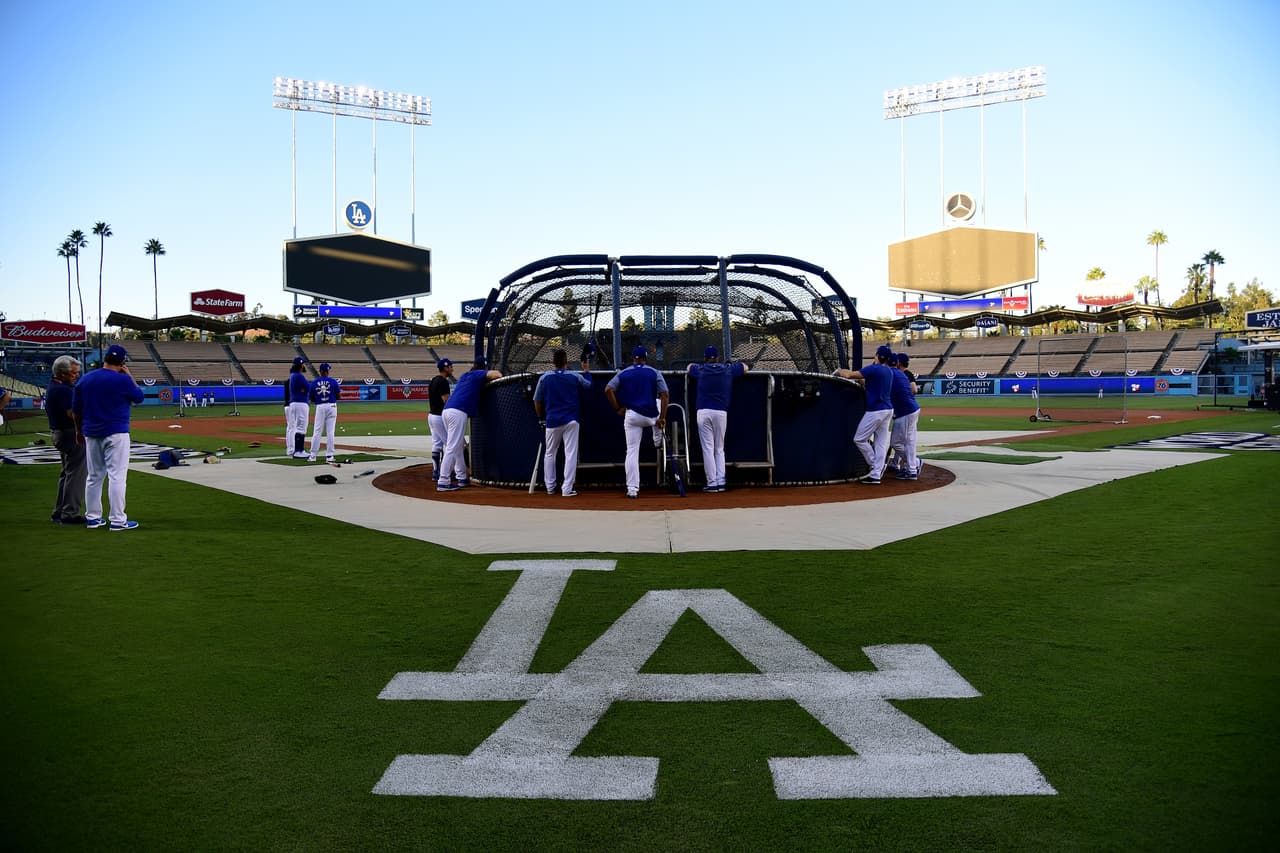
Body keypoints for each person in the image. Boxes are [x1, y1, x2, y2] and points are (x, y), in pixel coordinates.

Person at [72, 344, 145, 531]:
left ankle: (93, 518)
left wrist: (79, 431)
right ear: (122, 362)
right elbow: (139, 397)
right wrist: (128, 375)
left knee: (94, 476)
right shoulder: (122, 380)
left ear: (105, 359)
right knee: (117, 477)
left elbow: (76, 411)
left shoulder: (85, 379)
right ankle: (118, 521)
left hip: (91, 433)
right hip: (116, 432)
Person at [605, 345, 669, 499]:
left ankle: (632, 489)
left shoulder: (624, 373)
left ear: (633, 359)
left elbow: (608, 389)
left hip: (632, 415)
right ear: (646, 358)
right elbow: (665, 394)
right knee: (658, 401)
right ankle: (657, 437)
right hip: (650, 416)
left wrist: (617, 408)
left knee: (632, 451)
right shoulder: (654, 372)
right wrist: (662, 418)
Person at [687, 345, 748, 493]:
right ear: (718, 357)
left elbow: (689, 367)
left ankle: (712, 482)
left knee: (708, 448)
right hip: (721, 412)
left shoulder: (701, 369)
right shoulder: (727, 369)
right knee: (719, 449)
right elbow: (745, 367)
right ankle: (721, 481)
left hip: (703, 411)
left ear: (705, 358)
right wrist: (729, 364)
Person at [437, 357, 503, 492]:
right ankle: (443, 481)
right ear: (483, 367)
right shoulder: (478, 374)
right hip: (457, 412)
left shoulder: (465, 376)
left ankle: (462, 478)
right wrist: (488, 375)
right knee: (452, 447)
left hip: (448, 411)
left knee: (458, 446)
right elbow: (498, 375)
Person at [533, 348, 592, 496]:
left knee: (550, 453)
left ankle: (550, 487)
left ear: (553, 362)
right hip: (571, 419)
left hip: (552, 420)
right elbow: (588, 385)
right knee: (570, 454)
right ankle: (567, 489)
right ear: (566, 361)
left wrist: (541, 417)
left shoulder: (545, 377)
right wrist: (587, 371)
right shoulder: (574, 376)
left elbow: (537, 401)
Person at [834, 344, 895, 485]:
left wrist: (839, 370)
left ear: (878, 356)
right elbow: (869, 383)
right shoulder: (888, 371)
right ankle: (876, 474)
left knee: (859, 439)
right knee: (880, 443)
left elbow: (848, 375)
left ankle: (875, 465)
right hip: (887, 409)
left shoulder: (873, 368)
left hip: (876, 410)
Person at [46, 355, 87, 525]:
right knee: (76, 474)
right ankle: (69, 513)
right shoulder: (63, 390)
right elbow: (72, 414)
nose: (76, 376)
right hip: (70, 433)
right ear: (62, 373)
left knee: (67, 473)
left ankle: (60, 511)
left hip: (61, 433)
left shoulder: (56, 386)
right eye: (73, 373)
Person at [888, 352, 921, 480]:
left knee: (896, 443)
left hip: (905, 411)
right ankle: (911, 470)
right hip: (911, 409)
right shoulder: (902, 374)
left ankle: (914, 464)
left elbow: (914, 390)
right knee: (909, 442)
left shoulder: (894, 373)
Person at [427, 358, 456, 483]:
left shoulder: (434, 380)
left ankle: (435, 472)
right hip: (439, 417)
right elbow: (446, 401)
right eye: (450, 367)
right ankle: (448, 472)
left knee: (437, 444)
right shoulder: (443, 382)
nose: (452, 369)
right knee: (450, 444)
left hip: (431, 416)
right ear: (445, 368)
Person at [306, 362, 341, 462]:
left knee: (317, 431)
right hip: (332, 406)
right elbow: (338, 396)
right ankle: (329, 456)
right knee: (330, 432)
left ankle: (313, 456)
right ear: (327, 371)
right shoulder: (333, 381)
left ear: (320, 371)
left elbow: (312, 398)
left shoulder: (314, 382)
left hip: (320, 406)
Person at [285, 356, 311, 459]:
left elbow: (304, 389)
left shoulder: (293, 375)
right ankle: (299, 451)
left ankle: (297, 450)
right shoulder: (299, 376)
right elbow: (307, 387)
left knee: (297, 427)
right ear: (301, 365)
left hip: (294, 403)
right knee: (301, 427)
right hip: (300, 403)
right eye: (303, 364)